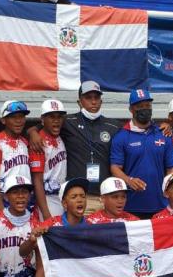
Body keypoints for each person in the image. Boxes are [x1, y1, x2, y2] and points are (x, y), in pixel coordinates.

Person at [29, 81, 119, 214]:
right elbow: (46, 123)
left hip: (105, 197)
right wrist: (33, 131)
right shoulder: (68, 122)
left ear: (101, 101)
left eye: (96, 97)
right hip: (79, 198)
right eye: (88, 98)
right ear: (79, 102)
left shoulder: (113, 126)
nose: (93, 102)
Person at [110, 88, 173, 219]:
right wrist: (129, 180)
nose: (145, 109)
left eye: (147, 105)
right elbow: (115, 168)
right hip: (131, 206)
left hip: (161, 204)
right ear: (131, 109)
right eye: (140, 106)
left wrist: (169, 191)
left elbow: (172, 168)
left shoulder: (164, 134)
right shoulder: (121, 136)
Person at [0, 100, 32, 213]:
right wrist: (1, 211)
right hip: (4, 199)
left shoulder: (25, 142)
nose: (18, 121)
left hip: (23, 199)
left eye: (21, 116)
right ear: (3, 120)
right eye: (13, 117)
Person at [30, 99, 69, 219]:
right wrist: (46, 213)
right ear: (42, 119)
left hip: (61, 195)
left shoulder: (60, 136)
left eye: (59, 117)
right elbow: (37, 180)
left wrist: (32, 130)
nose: (56, 120)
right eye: (51, 117)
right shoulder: (38, 143)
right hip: (47, 197)